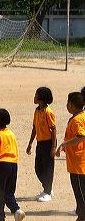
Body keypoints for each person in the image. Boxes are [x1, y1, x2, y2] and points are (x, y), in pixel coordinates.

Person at [56, 92, 85, 221]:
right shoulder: (81, 116)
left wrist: (64, 144)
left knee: (81, 197)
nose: (66, 105)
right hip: (78, 164)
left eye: (67, 103)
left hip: (79, 166)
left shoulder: (77, 120)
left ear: (72, 105)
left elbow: (81, 136)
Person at [26, 87, 56, 202]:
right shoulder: (37, 110)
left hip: (48, 143)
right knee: (38, 168)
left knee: (48, 168)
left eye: (36, 95)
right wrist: (30, 144)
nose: (34, 97)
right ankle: (48, 187)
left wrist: (53, 147)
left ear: (41, 98)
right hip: (40, 142)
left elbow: (53, 130)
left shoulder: (48, 112)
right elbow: (34, 128)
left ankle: (47, 192)